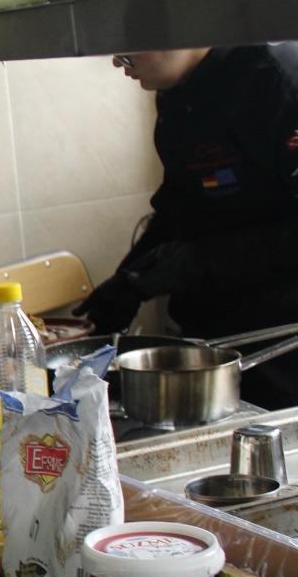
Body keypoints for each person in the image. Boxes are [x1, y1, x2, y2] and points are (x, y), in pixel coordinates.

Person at [78, 44, 298, 408]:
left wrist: (198, 261)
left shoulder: (275, 82)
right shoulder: (176, 96)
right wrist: (130, 280)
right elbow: (181, 205)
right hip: (216, 338)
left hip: (284, 343)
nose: (118, 63)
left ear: (174, 30)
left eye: (127, 52)